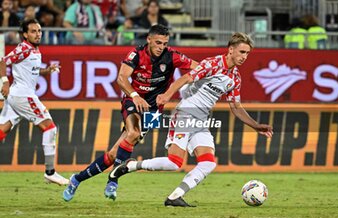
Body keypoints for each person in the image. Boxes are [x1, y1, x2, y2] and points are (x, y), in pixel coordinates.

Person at [109, 32, 274, 207]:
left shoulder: (235, 78)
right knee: (174, 162)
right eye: (242, 52)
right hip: (185, 113)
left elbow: (236, 107)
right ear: (231, 50)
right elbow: (186, 77)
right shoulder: (212, 64)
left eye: (247, 53)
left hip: (201, 121)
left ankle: (174, 197)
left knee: (208, 163)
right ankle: (132, 165)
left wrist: (255, 126)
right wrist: (166, 95)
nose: (244, 57)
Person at [62, 24, 198, 202]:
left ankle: (76, 179)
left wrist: (174, 91)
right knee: (133, 133)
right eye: (158, 42)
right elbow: (121, 78)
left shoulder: (172, 56)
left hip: (154, 110)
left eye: (164, 43)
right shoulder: (136, 54)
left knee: (113, 154)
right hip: (133, 100)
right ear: (148, 40)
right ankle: (113, 180)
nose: (161, 47)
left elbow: (200, 67)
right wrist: (134, 95)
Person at [0, 18, 68, 186]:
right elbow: (2, 61)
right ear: (25, 34)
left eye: (39, 31)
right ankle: (50, 172)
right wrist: (5, 82)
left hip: (17, 97)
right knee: (50, 128)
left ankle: (50, 172)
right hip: (23, 96)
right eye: (33, 31)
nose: (38, 34)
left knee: (2, 130)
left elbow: (32, 71)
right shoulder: (24, 48)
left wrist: (47, 70)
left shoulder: (34, 50)